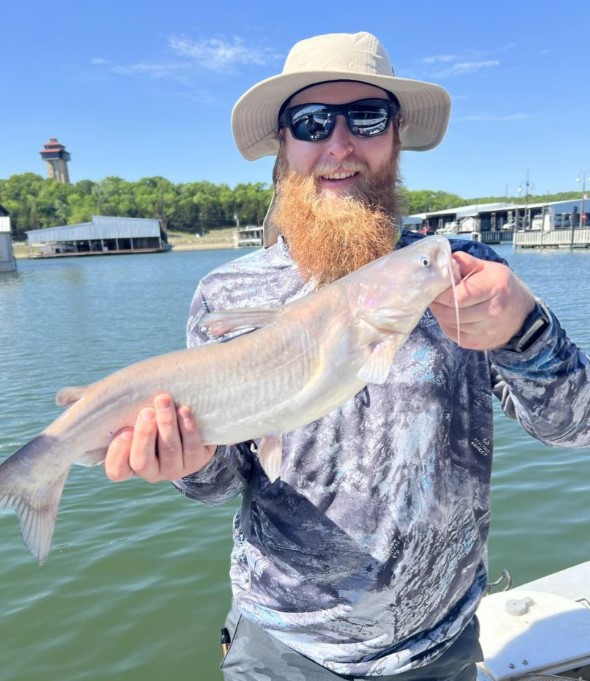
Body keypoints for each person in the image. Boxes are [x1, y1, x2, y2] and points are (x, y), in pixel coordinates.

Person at [104, 31, 590, 680]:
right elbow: (221, 481)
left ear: (396, 136)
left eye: (365, 118)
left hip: (438, 651)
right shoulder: (225, 297)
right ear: (285, 145)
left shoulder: (465, 275)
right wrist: (186, 462)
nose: (339, 145)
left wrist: (525, 325)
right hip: (281, 652)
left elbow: (575, 426)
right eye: (311, 122)